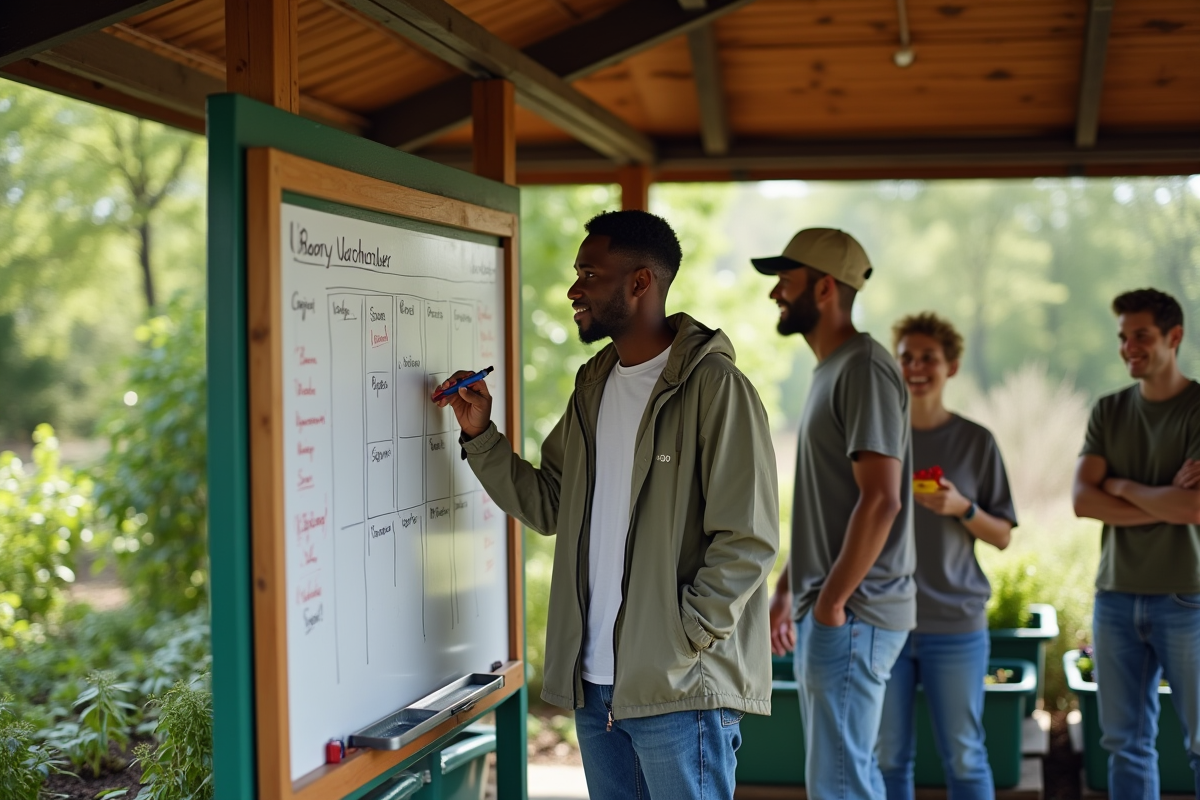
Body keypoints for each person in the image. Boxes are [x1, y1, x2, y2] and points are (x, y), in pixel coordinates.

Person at [434, 210, 779, 800]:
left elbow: (747, 539)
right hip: (595, 691)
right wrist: (480, 435)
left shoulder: (716, 388)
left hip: (678, 690)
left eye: (589, 274)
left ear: (640, 282)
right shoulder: (593, 386)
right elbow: (551, 504)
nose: (574, 290)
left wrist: (684, 636)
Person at [755, 228, 916, 800]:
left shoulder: (863, 368)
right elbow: (831, 505)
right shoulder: (832, 369)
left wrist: (830, 604)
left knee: (839, 785)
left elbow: (882, 499)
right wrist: (787, 588)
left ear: (824, 289)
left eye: (786, 280)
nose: (775, 292)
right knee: (844, 778)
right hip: (836, 610)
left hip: (854, 612)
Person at [876, 313, 1018, 800]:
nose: (916, 368)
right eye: (907, 358)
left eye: (928, 358)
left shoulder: (976, 441)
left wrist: (964, 508)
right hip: (886, 622)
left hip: (956, 624)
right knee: (888, 757)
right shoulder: (877, 440)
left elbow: (1002, 535)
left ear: (951, 366)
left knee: (964, 754)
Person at [1072, 288, 1200, 799]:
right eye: (1123, 337)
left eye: (1141, 336)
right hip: (1115, 596)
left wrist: (1120, 485)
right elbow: (1083, 500)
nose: (1129, 347)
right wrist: (1163, 496)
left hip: (1187, 598)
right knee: (1124, 744)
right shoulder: (1108, 410)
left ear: (1174, 336)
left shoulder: (1197, 408)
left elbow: (1194, 509)